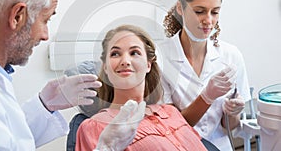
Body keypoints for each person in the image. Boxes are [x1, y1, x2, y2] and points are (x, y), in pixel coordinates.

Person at [0, 0, 144, 150]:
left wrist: (43, 105)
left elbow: (9, 138)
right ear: (17, 16)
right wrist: (105, 148)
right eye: (45, 20)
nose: (45, 35)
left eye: (135, 52)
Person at [75, 24, 209, 151]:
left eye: (134, 53)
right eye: (115, 54)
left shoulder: (170, 112)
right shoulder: (96, 126)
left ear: (148, 65)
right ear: (105, 66)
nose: (125, 61)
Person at [159, 0, 251, 150]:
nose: (208, 20)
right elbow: (171, 128)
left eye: (215, 12)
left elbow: (229, 127)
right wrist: (206, 97)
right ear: (180, 8)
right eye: (199, 11)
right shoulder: (160, 58)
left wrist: (233, 112)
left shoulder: (231, 56)